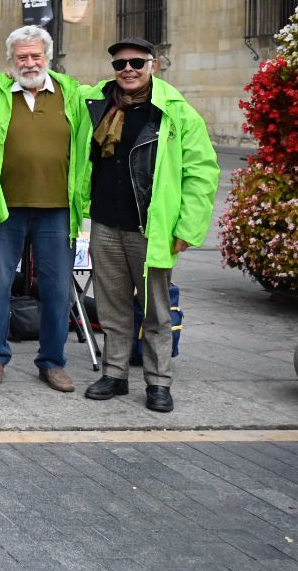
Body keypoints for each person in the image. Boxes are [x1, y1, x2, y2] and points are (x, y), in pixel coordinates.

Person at [80, 37, 219, 413]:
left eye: (136, 63)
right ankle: (115, 374)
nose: (128, 69)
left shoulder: (175, 112)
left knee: (156, 310)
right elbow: (48, 80)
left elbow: (202, 173)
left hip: (150, 228)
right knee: (112, 308)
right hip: (106, 224)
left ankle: (159, 382)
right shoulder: (96, 102)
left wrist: (187, 229)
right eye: (120, 63)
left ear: (152, 65)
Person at [0, 27, 90, 393]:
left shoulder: (71, 93)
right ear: (11, 61)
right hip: (5, 206)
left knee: (55, 289)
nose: (29, 63)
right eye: (22, 57)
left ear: (48, 57)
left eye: (36, 56)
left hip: (56, 207)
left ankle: (53, 362)